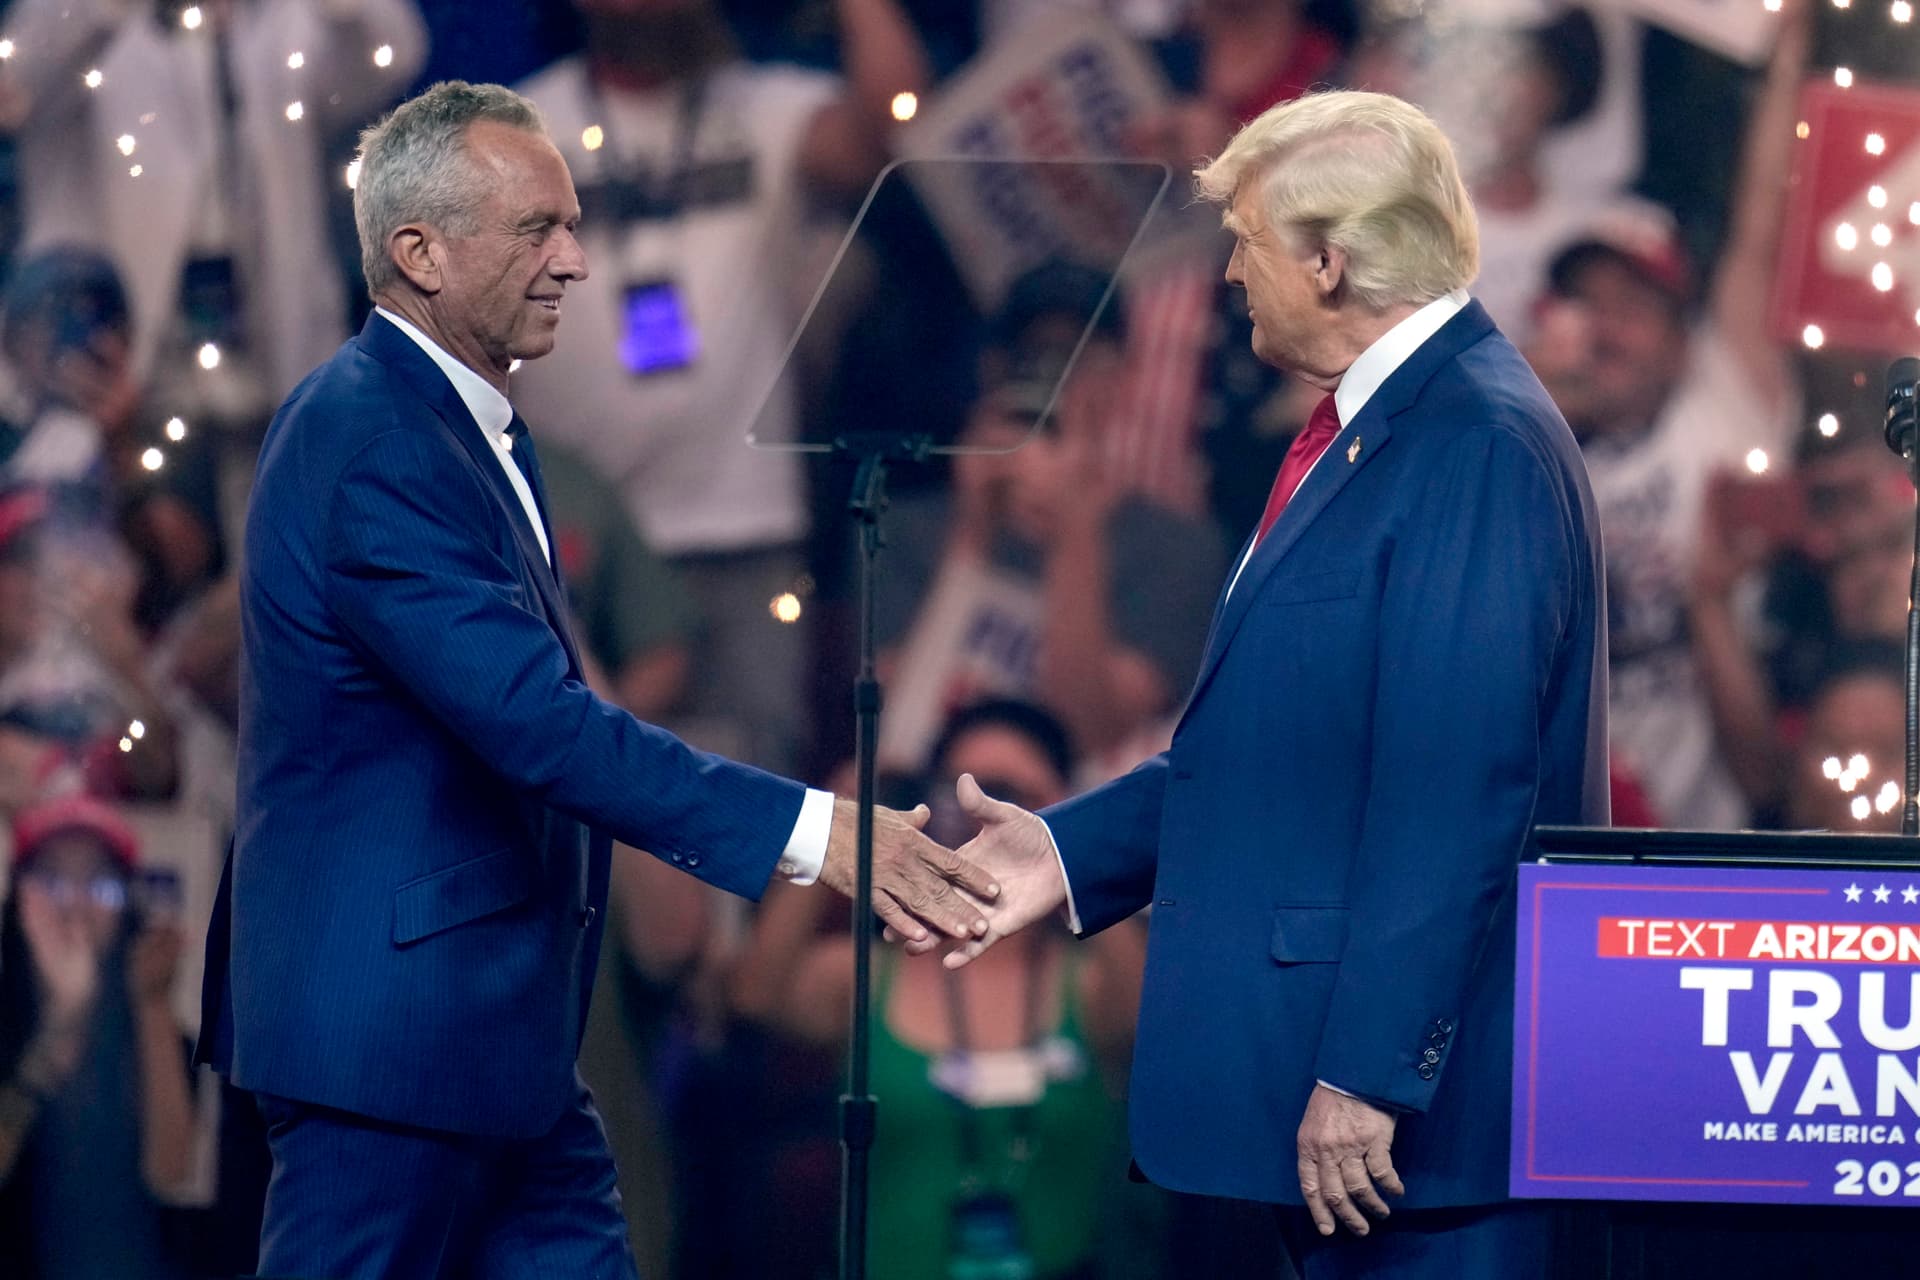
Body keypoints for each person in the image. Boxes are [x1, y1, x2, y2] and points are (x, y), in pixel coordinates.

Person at [194, 81, 997, 1280]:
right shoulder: (371, 440)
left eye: (573, 225)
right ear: (419, 252)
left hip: (500, 1035)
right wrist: (812, 829)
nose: (575, 259)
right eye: (538, 229)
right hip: (391, 1043)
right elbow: (537, 724)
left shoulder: (467, 429)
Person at [926, 90, 1608, 1276]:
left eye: (1246, 241)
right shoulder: (1378, 431)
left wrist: (1370, 1071)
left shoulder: (1476, 442)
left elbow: (1457, 788)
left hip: (1419, 1145)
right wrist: (1068, 852)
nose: (1232, 273)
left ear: (1330, 261)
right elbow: (1282, 739)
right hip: (1351, 1129)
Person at [510, 0, 931, 773]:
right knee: (578, 790)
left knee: (755, 787)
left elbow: (897, 123)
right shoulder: (518, 128)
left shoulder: (767, 107)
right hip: (575, 541)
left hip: (745, 529)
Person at [734, 698, 1149, 1280]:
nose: (983, 818)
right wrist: (840, 814)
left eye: (1009, 796)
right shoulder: (867, 975)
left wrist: (1069, 840)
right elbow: (755, 994)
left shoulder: (1088, 984)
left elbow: (1148, 1023)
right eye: (963, 792)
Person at [0, 792, 199, 1280]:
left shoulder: (146, 1016)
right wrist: (60, 1028)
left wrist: (152, 1003)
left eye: (100, 886)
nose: (76, 903)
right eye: (52, 881)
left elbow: (171, 1169)